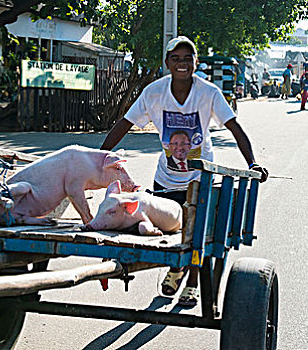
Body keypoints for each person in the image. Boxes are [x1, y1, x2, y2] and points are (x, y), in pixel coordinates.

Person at [100, 36, 269, 307]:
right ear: (167, 63)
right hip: (165, 180)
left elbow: (234, 128)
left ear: (195, 62)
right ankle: (176, 268)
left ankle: (192, 284)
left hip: (199, 179)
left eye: (187, 58)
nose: (181, 63)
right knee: (168, 235)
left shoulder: (208, 93)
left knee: (198, 234)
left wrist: (252, 163)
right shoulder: (154, 93)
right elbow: (125, 123)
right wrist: (101, 156)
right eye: (176, 58)